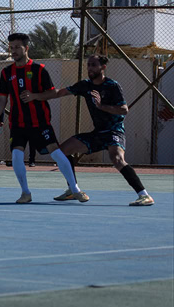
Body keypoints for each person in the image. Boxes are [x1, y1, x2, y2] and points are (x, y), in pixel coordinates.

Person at [21, 55, 153, 206]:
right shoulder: (85, 85)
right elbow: (59, 92)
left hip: (113, 131)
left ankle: (144, 195)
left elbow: (124, 109)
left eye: (94, 65)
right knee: (62, 152)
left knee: (117, 159)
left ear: (103, 67)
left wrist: (102, 106)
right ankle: (72, 189)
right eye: (88, 65)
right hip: (97, 133)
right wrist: (35, 96)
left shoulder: (112, 85)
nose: (90, 68)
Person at [0, 33, 87, 204]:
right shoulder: (7, 72)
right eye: (11, 47)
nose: (13, 51)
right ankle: (25, 193)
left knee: (57, 153)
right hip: (18, 123)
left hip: (40, 122)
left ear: (26, 48)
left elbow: (52, 93)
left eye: (17, 47)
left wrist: (35, 96)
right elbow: (2, 99)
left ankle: (75, 189)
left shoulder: (39, 70)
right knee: (16, 156)